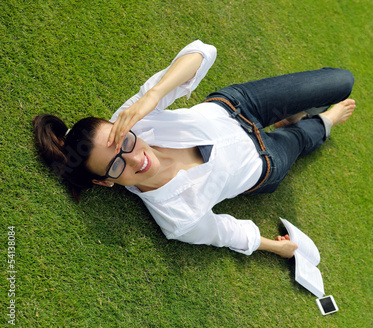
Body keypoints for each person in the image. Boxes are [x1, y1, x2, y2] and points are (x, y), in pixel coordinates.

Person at [33, 40, 355, 258]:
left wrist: (152, 96)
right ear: (105, 182)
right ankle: (320, 122)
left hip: (239, 106)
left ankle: (292, 115)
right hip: (263, 163)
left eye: (125, 142)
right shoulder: (177, 218)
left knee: (342, 82)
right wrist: (275, 247)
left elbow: (203, 52)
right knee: (304, 135)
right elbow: (223, 232)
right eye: (116, 167)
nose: (136, 158)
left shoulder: (132, 120)